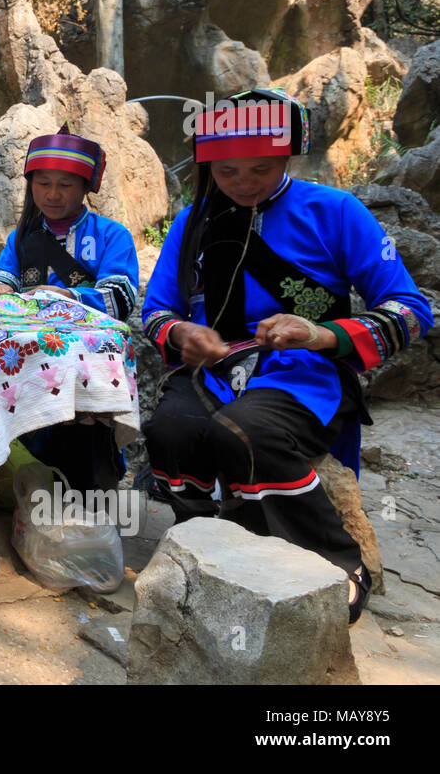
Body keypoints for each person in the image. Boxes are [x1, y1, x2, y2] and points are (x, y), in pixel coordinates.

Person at [141, 88, 433, 624]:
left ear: (288, 157)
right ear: (208, 166)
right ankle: (206, 545)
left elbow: (411, 309)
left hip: (305, 370)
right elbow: (157, 311)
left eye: (262, 168)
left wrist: (321, 334)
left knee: (245, 432)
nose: (245, 183)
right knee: (170, 430)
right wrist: (185, 333)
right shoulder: (192, 223)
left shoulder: (336, 211)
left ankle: (333, 565)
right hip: (218, 369)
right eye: (227, 172)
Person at [0, 127, 139, 494]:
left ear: (86, 187)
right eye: (43, 184)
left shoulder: (112, 236)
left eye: (65, 185)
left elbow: (119, 298)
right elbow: (1, 280)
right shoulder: (22, 237)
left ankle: (89, 502)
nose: (52, 195)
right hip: (28, 363)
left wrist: (66, 295)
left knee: (83, 453)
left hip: (86, 366)